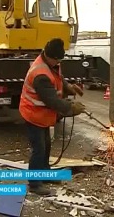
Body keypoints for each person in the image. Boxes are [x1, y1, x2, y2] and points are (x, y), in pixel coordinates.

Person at [19, 38, 86, 196]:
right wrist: (71, 108)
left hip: (41, 116)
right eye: (57, 59)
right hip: (33, 114)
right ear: (50, 56)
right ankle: (34, 184)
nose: (59, 62)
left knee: (46, 145)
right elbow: (52, 101)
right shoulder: (40, 74)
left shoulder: (50, 62)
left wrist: (68, 86)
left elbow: (57, 77)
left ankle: (45, 174)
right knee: (39, 149)